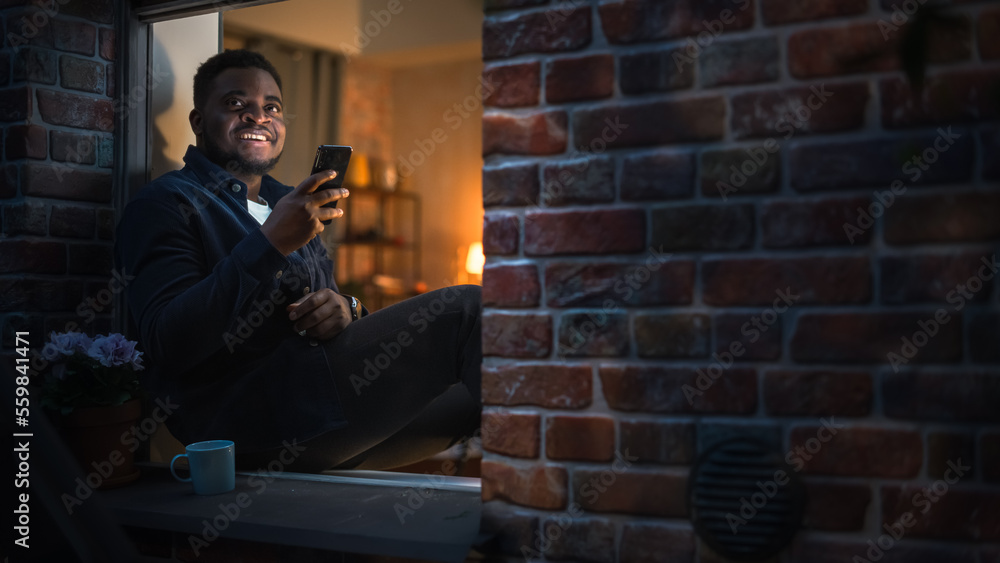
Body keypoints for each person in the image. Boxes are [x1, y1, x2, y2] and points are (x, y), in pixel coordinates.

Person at [114, 49, 482, 472]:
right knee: (469, 310)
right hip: (250, 422)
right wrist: (269, 244)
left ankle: (530, 515)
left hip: (326, 408)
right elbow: (166, 343)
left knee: (499, 388)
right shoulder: (166, 202)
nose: (258, 117)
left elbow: (332, 308)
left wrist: (347, 308)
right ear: (198, 122)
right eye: (237, 104)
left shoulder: (288, 201)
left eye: (271, 107)